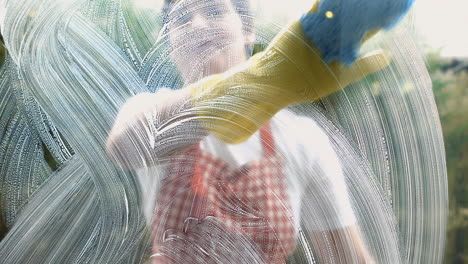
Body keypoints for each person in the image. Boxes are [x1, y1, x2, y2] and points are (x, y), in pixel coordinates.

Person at [106, 0, 412, 262]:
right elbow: (127, 146)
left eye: (213, 11)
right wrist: (261, 81)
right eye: (182, 18)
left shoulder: (301, 137)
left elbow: (348, 258)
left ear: (247, 30)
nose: (198, 24)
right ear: (171, 46)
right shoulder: (150, 108)